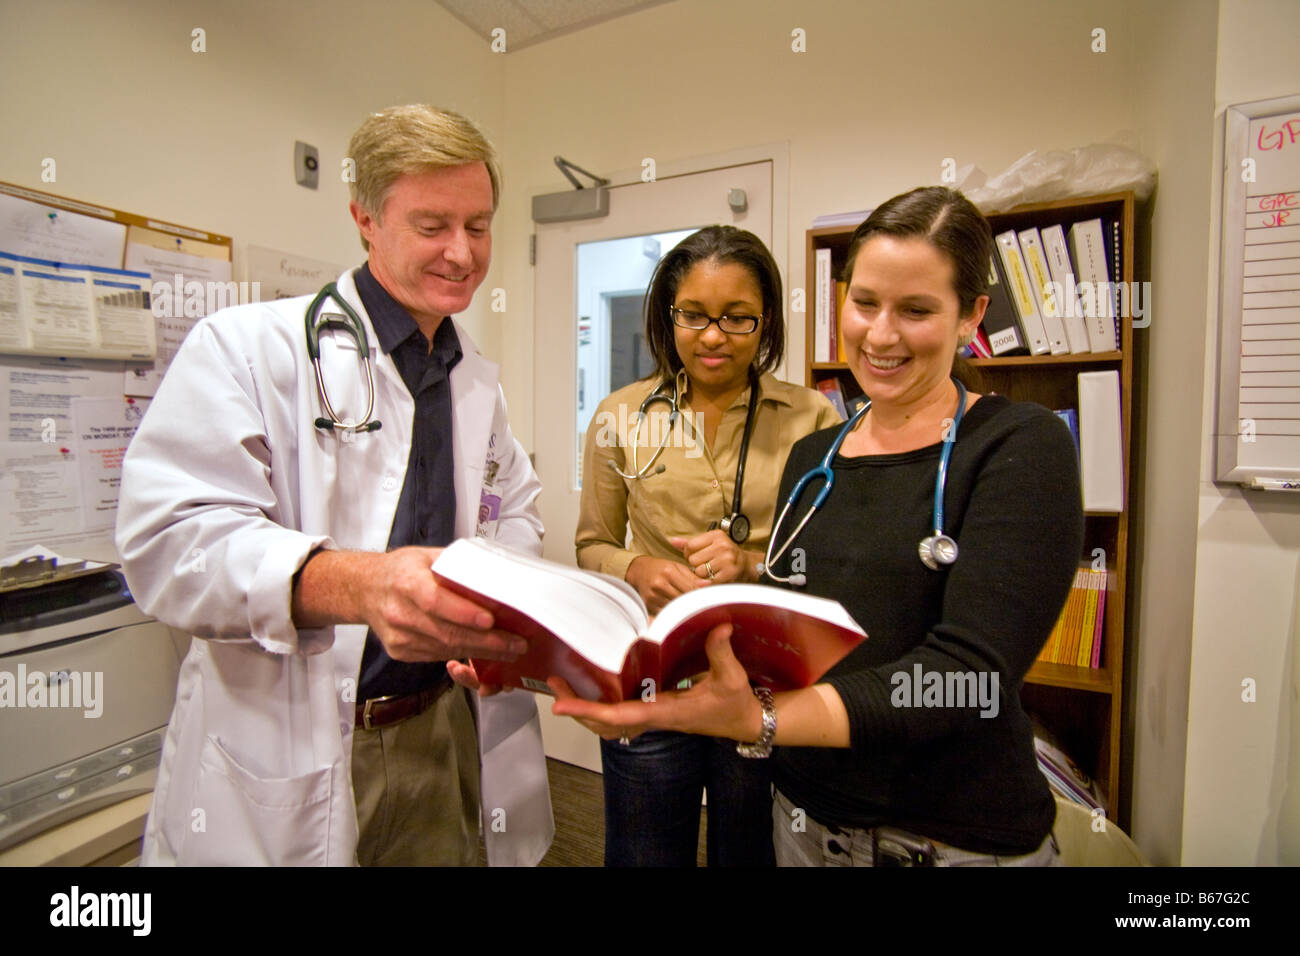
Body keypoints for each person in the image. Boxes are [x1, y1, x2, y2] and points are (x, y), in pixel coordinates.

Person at [551, 187, 1084, 866]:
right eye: (865, 302)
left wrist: (760, 716)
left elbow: (969, 672)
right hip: (801, 809)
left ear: (971, 315)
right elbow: (807, 593)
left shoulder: (1014, 444)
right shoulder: (819, 456)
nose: (881, 335)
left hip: (940, 829)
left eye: (917, 309)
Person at [115, 104, 553, 867]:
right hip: (309, 738)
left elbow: (514, 506)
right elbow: (170, 544)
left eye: (478, 226)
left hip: (446, 726)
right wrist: (358, 585)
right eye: (432, 226)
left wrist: (497, 592)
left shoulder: (472, 380)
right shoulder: (247, 349)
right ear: (365, 219)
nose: (462, 253)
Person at [574, 226, 841, 866]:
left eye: (736, 317)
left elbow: (834, 560)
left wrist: (752, 562)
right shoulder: (619, 416)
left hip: (766, 683)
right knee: (643, 854)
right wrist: (636, 565)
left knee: (748, 854)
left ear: (766, 319)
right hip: (656, 675)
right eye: (693, 315)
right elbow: (592, 544)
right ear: (668, 316)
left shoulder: (814, 419)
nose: (713, 336)